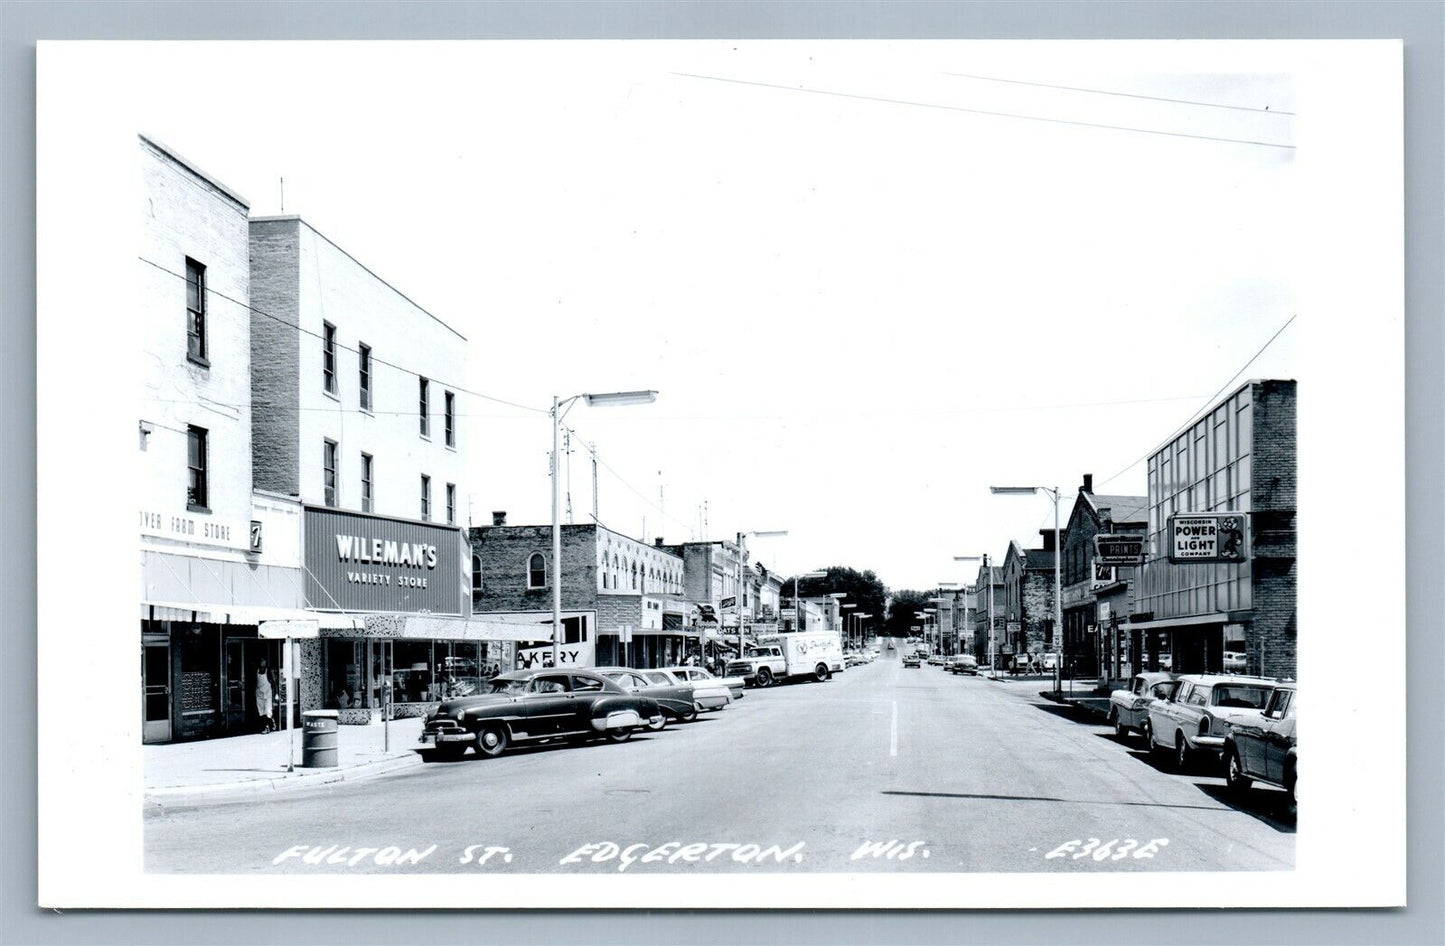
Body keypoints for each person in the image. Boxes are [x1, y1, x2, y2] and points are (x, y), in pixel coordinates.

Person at [255, 662, 275, 733]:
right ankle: (266, 726)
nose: (262, 663)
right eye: (261, 661)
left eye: (263, 661)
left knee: (268, 710)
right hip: (259, 694)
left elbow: (273, 682)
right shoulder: (256, 671)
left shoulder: (268, 671)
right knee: (261, 711)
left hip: (267, 694)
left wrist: (276, 694)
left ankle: (270, 723)